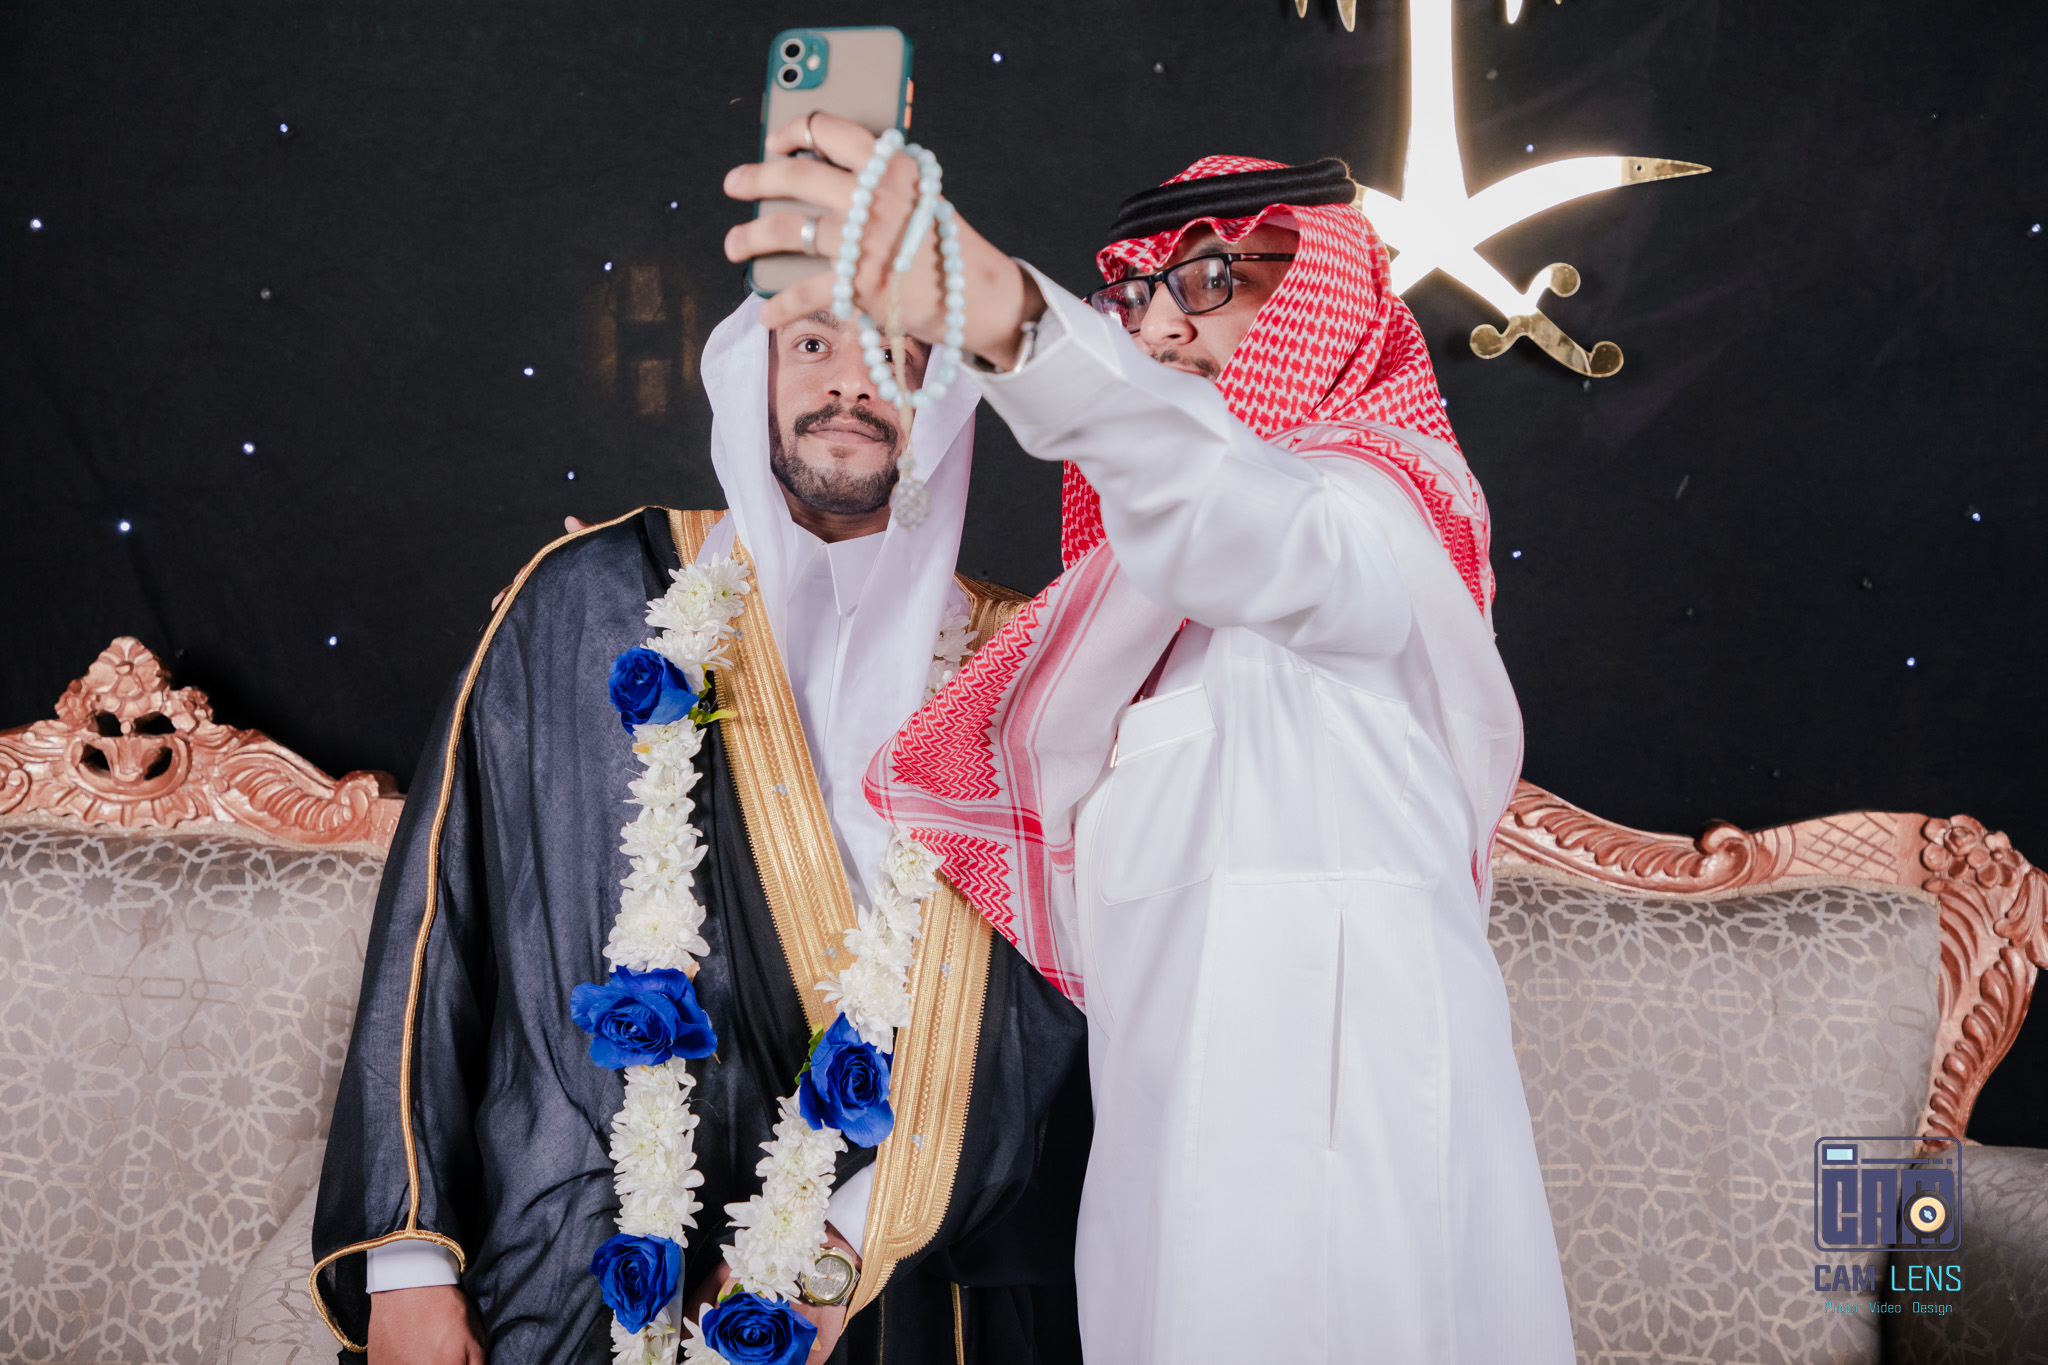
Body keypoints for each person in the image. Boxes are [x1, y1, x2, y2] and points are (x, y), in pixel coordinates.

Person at [724, 127, 1576, 1363]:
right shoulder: (1130, 629)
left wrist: (1013, 325)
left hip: (1352, 1176)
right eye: (1135, 295)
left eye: (1210, 278)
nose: (1163, 329)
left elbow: (1238, 520)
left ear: (1325, 291)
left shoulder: (1374, 518)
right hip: (1164, 1175)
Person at [310, 297, 1090, 1365]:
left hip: (882, 1289)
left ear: (946, 398)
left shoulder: (1018, 668)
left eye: (893, 356)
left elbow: (1041, 1018)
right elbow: (439, 919)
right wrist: (406, 1264)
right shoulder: (588, 601)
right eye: (812, 344)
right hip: (577, 1255)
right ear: (747, 373)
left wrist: (828, 1251)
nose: (849, 382)